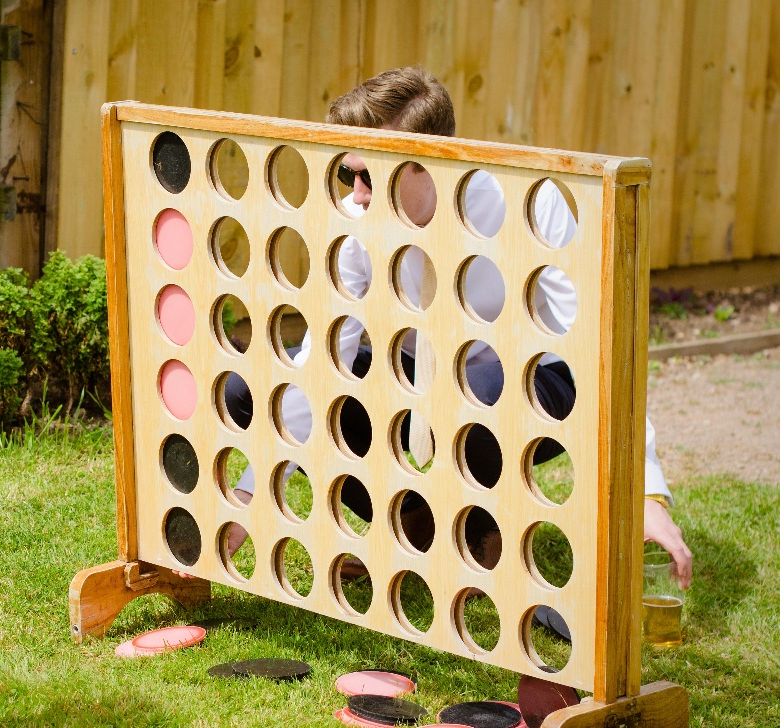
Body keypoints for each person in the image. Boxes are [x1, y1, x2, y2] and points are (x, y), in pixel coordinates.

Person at [218, 67, 693, 588]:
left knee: (476, 390)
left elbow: (602, 351)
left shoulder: (529, 203)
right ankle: (419, 532)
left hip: (532, 382)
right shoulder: (357, 225)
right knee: (254, 384)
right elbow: (322, 359)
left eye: (370, 177)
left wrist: (644, 491)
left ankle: (478, 539)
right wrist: (250, 491)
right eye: (345, 174)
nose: (355, 195)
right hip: (421, 378)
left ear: (430, 164)